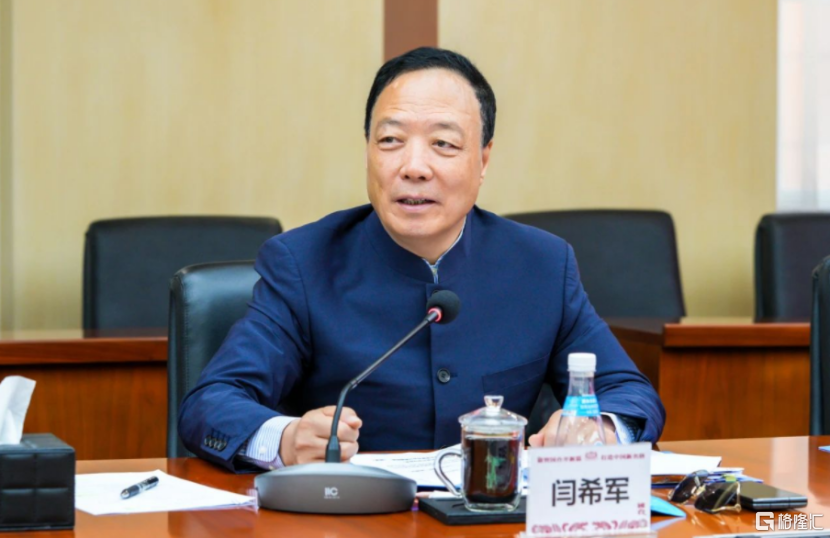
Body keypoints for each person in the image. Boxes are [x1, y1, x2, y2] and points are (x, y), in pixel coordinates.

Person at [178, 47, 666, 472]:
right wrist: (285, 440)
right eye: (390, 140)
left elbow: (630, 393)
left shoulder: (541, 265)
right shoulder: (304, 264)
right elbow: (210, 405)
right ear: (368, 151)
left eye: (443, 144)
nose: (413, 167)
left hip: (492, 518)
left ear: (484, 160)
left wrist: (600, 430)